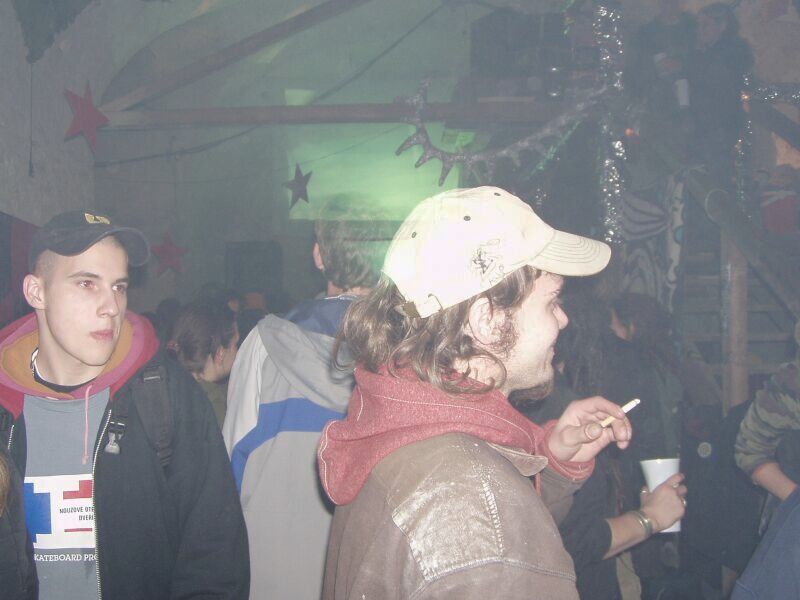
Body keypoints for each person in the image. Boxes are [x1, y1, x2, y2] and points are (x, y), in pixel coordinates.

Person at [319, 186, 635, 599]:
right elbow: (492, 542)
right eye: (552, 301)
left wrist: (553, 465)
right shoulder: (474, 501)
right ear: (487, 319)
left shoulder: (400, 423)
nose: (563, 319)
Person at [0, 210, 249, 599]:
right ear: (36, 292)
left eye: (118, 286)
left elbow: (215, 559)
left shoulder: (167, 396)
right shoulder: (6, 408)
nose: (112, 307)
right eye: (87, 283)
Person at [223, 215, 393, 599]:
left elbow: (232, 462)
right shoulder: (414, 355)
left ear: (319, 255)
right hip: (370, 574)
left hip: (276, 572)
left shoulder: (265, 344)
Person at [518, 292, 686, 600]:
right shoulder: (552, 407)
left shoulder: (561, 408)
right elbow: (571, 543)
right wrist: (649, 518)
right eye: (551, 305)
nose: (560, 318)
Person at [168, 300, 240, 427]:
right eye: (236, 345)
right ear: (220, 353)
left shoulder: (170, 388)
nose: (238, 351)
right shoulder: (213, 406)